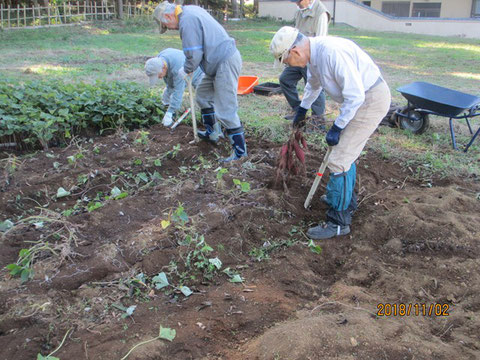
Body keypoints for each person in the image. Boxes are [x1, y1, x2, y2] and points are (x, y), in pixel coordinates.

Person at [270, 26, 391, 240]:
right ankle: (346, 200)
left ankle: (338, 222)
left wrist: (337, 126)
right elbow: (313, 86)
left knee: (339, 159)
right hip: (359, 100)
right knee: (344, 155)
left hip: (370, 100)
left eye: (286, 61)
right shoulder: (314, 55)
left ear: (295, 52)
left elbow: (355, 96)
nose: (287, 65)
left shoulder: (331, 53)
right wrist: (302, 109)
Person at [153, 1, 247, 162]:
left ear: (168, 16)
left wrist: (186, 68)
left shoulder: (186, 21)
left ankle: (240, 153)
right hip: (214, 63)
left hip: (224, 61)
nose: (171, 29)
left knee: (225, 109)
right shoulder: (189, 11)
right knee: (202, 96)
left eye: (167, 26)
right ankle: (213, 132)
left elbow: (194, 54)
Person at [280, 0, 330, 121]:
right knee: (285, 79)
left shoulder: (321, 13)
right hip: (297, 54)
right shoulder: (300, 11)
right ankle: (298, 111)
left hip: (311, 56)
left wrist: (312, 62)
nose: (297, 4)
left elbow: (321, 40)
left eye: (298, 1)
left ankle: (318, 120)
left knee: (315, 87)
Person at [145, 48, 204, 127]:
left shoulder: (178, 69)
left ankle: (207, 124)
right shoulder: (160, 59)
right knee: (168, 93)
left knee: (203, 99)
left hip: (198, 72)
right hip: (180, 68)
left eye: (158, 75)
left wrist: (170, 111)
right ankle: (170, 114)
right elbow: (170, 86)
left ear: (164, 68)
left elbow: (178, 91)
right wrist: (166, 104)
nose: (159, 78)